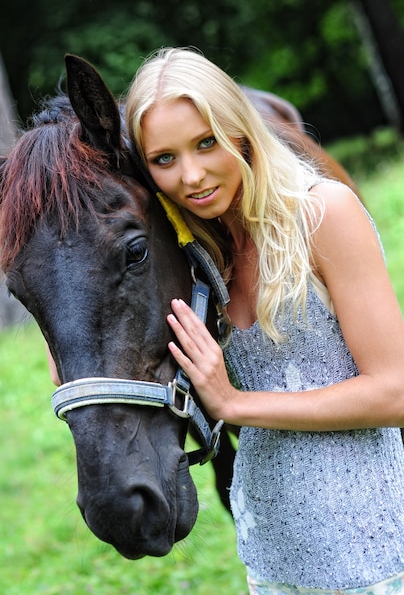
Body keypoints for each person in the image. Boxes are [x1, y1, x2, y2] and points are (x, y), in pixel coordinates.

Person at [125, 47, 404, 595]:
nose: (192, 175)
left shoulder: (323, 214)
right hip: (271, 552)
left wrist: (235, 403)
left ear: (242, 129)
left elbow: (395, 392)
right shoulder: (196, 257)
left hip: (376, 548)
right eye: (164, 159)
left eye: (207, 142)